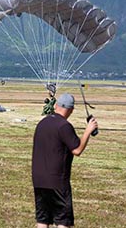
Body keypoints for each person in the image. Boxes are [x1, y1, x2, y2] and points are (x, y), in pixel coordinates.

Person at [32, 93, 98, 228]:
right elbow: (77, 150)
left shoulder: (42, 123)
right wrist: (88, 131)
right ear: (71, 110)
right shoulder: (64, 126)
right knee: (63, 221)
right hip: (57, 182)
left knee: (43, 220)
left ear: (56, 106)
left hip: (39, 180)